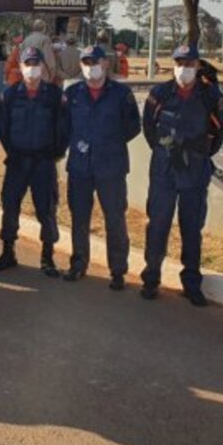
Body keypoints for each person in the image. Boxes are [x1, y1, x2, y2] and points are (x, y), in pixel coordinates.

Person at [140, 43, 223, 307]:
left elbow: (219, 132)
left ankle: (191, 283)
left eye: (189, 64)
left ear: (198, 66)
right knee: (157, 225)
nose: (184, 69)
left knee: (192, 229)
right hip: (164, 171)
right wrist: (167, 151)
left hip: (195, 171)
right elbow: (149, 128)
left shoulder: (211, 96)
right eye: (179, 64)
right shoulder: (160, 93)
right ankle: (151, 278)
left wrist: (198, 153)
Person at [62, 45, 141, 286]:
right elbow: (64, 126)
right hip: (80, 167)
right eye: (85, 63)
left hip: (111, 167)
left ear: (105, 64)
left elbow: (133, 126)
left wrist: (108, 144)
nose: (90, 67)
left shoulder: (121, 94)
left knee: (115, 218)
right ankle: (78, 264)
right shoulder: (73, 93)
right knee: (79, 218)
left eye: (94, 62)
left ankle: (117, 270)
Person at [0, 47, 66, 276]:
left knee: (46, 209)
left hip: (44, 161)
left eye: (36, 63)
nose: (32, 68)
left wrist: (54, 154)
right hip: (17, 160)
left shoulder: (55, 95)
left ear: (43, 67)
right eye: (27, 64)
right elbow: (2, 128)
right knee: (10, 206)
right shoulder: (10, 95)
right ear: (20, 67)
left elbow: (63, 129)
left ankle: (47, 257)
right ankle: (8, 252)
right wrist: (13, 151)